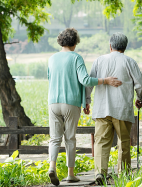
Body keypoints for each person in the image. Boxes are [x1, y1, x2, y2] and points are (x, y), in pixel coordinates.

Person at [47, 28, 122, 186]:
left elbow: (50, 79)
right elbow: (85, 80)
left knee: (54, 138)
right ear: (74, 42)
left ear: (61, 41)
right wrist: (104, 80)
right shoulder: (76, 58)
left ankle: (51, 167)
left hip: (53, 102)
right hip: (70, 103)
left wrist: (84, 100)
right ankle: (70, 174)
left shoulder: (52, 59)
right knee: (70, 139)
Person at [86, 32, 142, 185]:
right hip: (121, 109)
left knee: (101, 142)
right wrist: (140, 98)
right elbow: (141, 84)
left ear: (110, 45)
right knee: (124, 142)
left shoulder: (99, 61)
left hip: (101, 108)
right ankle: (124, 174)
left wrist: (87, 101)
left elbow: (90, 83)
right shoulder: (129, 61)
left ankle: (100, 173)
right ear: (124, 47)